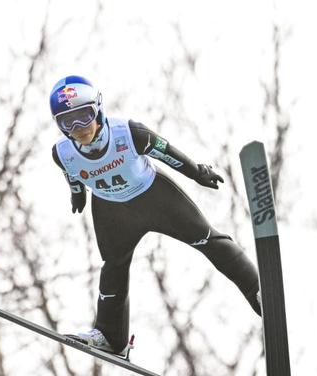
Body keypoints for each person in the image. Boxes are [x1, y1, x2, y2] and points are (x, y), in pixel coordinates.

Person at [49, 75, 261, 358]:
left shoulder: (129, 133)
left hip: (155, 198)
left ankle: (259, 291)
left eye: (84, 116)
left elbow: (167, 153)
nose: (79, 128)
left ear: (98, 108)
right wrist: (77, 194)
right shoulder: (62, 153)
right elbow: (71, 173)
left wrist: (198, 172)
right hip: (113, 212)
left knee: (206, 239)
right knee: (113, 267)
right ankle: (112, 338)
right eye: (68, 122)